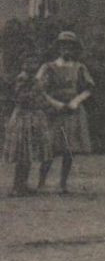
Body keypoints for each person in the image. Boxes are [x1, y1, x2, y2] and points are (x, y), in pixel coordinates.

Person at [37, 32, 94, 194]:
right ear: (58, 48)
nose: (66, 49)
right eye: (63, 46)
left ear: (75, 48)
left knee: (69, 149)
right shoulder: (48, 67)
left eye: (70, 46)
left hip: (73, 111)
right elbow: (39, 89)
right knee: (50, 148)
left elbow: (89, 88)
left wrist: (76, 101)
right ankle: (41, 182)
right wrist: (55, 104)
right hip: (54, 111)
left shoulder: (79, 67)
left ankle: (63, 183)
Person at [4, 48, 53, 196]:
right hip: (24, 118)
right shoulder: (23, 78)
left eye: (35, 62)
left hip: (33, 117)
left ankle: (22, 185)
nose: (32, 65)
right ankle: (17, 186)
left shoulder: (35, 78)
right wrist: (34, 90)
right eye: (29, 62)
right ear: (23, 64)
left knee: (28, 153)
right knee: (23, 154)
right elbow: (20, 98)